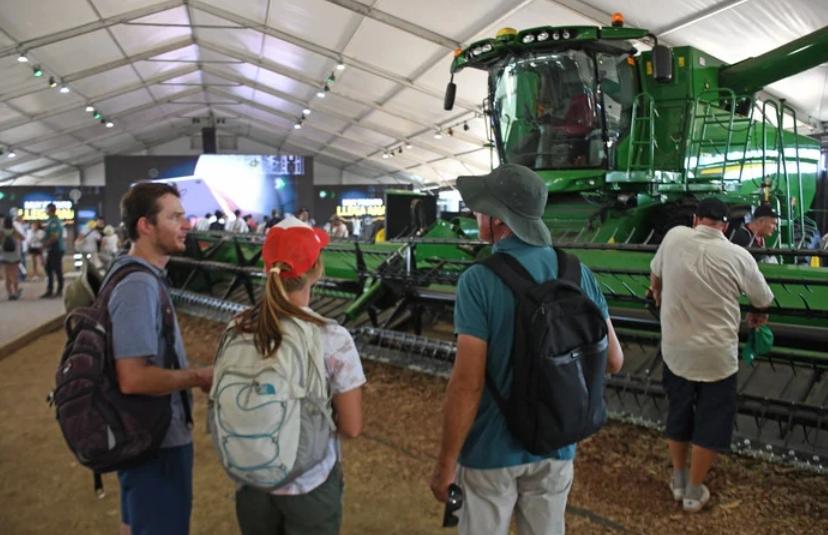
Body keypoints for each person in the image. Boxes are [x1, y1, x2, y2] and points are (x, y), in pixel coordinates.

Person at [430, 164, 624, 534]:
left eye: (481, 209)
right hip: (556, 445)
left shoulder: (479, 280)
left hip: (491, 452)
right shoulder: (576, 272)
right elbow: (614, 360)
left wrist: (446, 464)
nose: (476, 216)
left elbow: (468, 383)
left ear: (499, 220)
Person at [226, 215, 365, 534]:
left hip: (252, 478)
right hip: (310, 484)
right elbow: (352, 427)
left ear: (265, 268)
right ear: (317, 269)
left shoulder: (237, 328)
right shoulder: (332, 338)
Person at [649, 197, 774, 513]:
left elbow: (655, 275)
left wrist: (659, 293)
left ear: (695, 220)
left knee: (679, 411)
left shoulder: (675, 237)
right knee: (711, 419)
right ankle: (693, 491)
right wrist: (758, 317)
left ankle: (677, 479)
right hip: (716, 357)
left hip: (676, 351)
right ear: (727, 226)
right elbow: (762, 298)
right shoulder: (738, 255)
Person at [107, 182, 213, 535]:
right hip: (156, 440)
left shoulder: (138, 275)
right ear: (145, 225)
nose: (186, 224)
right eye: (175, 217)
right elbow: (133, 377)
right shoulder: (139, 285)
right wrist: (197, 377)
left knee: (137, 523)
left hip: (142, 434)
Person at [41, 203, 65, 298]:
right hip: (52, 249)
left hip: (56, 249)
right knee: (48, 269)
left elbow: (54, 237)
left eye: (47, 209)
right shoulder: (50, 221)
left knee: (57, 269)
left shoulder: (55, 222)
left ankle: (59, 290)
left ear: (50, 210)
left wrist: (45, 245)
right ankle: (50, 290)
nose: (46, 211)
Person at [2, 217, 24, 300]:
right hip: (15, 255)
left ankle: (9, 293)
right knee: (14, 275)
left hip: (5, 255)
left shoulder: (2, 232)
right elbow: (23, 238)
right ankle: (15, 292)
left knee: (7, 276)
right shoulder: (14, 231)